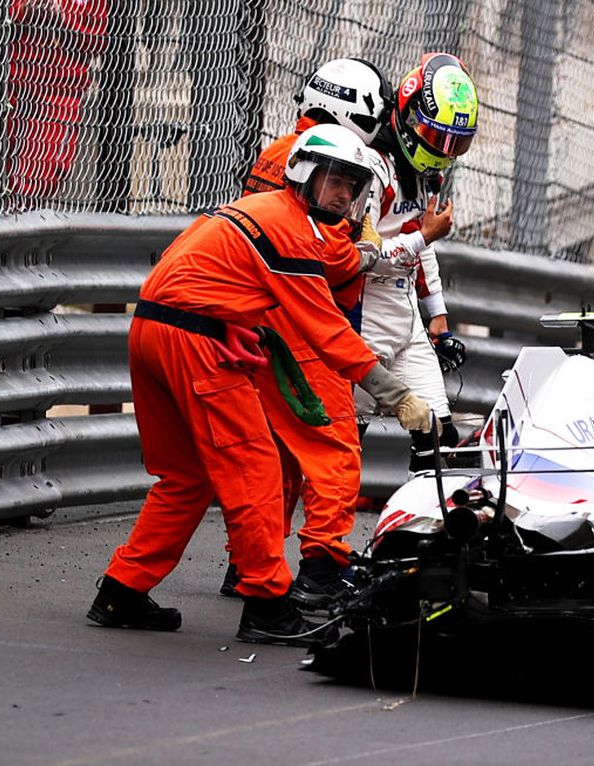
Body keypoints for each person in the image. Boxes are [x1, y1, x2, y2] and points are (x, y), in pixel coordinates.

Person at [86, 123, 435, 646]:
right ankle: (269, 604)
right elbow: (328, 333)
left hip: (154, 330)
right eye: (335, 180)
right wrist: (399, 396)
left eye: (353, 185)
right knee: (255, 468)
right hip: (196, 341)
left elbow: (206, 273)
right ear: (303, 175)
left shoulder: (261, 211)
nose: (344, 195)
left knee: (186, 477)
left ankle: (121, 589)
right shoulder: (290, 232)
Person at [220, 57, 431, 609]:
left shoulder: (279, 152)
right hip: (305, 329)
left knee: (281, 456)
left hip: (267, 322)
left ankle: (249, 560)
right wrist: (366, 252)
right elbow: (328, 254)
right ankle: (322, 564)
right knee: (336, 450)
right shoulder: (322, 161)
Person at [357, 51, 478, 471]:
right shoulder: (370, 169)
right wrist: (423, 235)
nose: (445, 151)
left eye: (454, 142)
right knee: (345, 439)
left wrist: (438, 316)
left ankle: (424, 531)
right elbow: (360, 257)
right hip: (362, 314)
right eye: (437, 136)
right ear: (408, 117)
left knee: (439, 436)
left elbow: (422, 247)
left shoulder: (423, 176)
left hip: (405, 316)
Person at [6, 0, 108, 202]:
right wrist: (25, 12)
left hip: (57, 93)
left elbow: (99, 39)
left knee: (40, 178)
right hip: (7, 82)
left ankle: (20, 220)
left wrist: (61, 19)